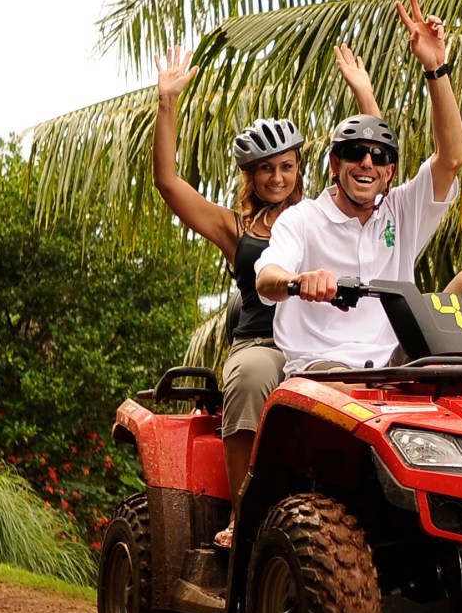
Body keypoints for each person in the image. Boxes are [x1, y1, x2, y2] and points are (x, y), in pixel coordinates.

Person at [153, 44, 381, 549]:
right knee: (253, 376)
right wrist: (167, 103)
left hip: (325, 342)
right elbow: (169, 184)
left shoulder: (324, 214)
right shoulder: (235, 228)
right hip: (263, 340)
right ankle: (243, 513)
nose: (278, 178)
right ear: (250, 175)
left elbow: (373, 163)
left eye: (287, 167)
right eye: (265, 169)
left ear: (301, 168)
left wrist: (363, 93)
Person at [255, 0, 462, 374]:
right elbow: (266, 279)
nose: (367, 162)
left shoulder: (400, 211)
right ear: (334, 165)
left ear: (390, 173)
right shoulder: (302, 219)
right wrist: (298, 280)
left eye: (380, 157)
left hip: (397, 364)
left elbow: (452, 159)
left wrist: (436, 68)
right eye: (356, 152)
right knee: (347, 392)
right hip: (327, 370)